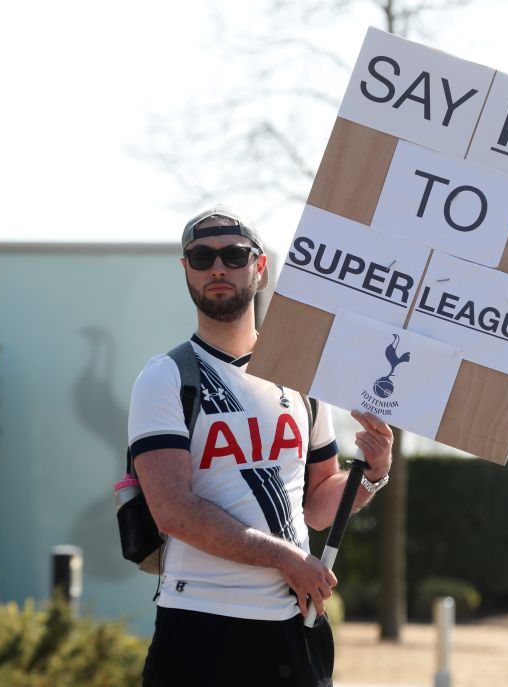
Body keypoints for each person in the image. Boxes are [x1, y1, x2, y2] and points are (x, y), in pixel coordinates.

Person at [127, 205, 394, 687]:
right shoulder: (165, 377)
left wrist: (372, 474)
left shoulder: (302, 380)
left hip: (292, 626)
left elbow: (317, 504)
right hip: (198, 622)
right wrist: (288, 560)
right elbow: (173, 512)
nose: (218, 268)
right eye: (201, 257)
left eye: (233, 254)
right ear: (185, 268)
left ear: (260, 266)